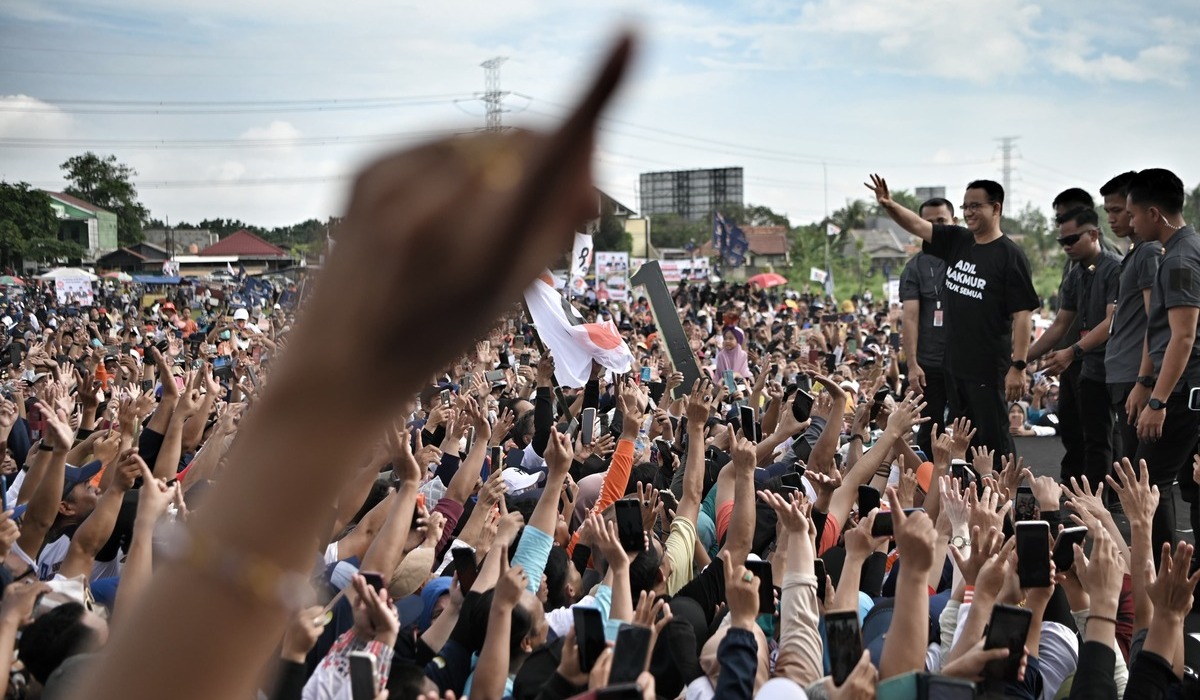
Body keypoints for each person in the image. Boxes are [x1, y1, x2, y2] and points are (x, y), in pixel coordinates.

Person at [866, 174, 1040, 456]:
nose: (969, 212)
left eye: (976, 206)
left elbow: (1023, 315)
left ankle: (1000, 492)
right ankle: (969, 493)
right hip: (953, 365)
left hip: (986, 366)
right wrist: (888, 204)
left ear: (996, 208)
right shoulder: (958, 240)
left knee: (992, 438)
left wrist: (1018, 366)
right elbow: (918, 225)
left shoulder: (1010, 256)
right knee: (963, 437)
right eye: (966, 206)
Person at [1125, 167, 1200, 553]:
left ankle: (1161, 584)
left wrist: (1158, 401)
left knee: (1146, 488)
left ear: (1154, 213)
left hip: (1184, 392)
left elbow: (1183, 336)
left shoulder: (1180, 259)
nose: (1132, 224)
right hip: (1185, 388)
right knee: (1190, 487)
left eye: (1133, 214)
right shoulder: (1186, 249)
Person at [1026, 206, 1120, 487]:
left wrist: (1073, 351)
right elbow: (1059, 325)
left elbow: (1111, 321)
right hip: (1079, 363)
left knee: (1098, 438)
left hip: (1107, 365)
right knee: (1071, 428)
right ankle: (1077, 491)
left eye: (1072, 239)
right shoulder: (1074, 275)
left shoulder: (1114, 268)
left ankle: (1098, 502)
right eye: (1062, 242)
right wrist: (1019, 359)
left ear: (1094, 234)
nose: (1066, 246)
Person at [1101, 171, 1159, 469]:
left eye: (1117, 210)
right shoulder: (1136, 253)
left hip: (1134, 376)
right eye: (1107, 211)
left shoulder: (1149, 252)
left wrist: (1144, 381)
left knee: (1144, 475)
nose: (1111, 218)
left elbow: (1156, 320)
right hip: (1123, 373)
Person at [899, 198, 952, 457]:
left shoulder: (971, 259)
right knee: (930, 427)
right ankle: (928, 487)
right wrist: (912, 364)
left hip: (967, 361)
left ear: (954, 223)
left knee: (972, 426)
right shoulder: (913, 268)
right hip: (929, 363)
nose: (936, 227)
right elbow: (909, 318)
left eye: (942, 221)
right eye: (928, 222)